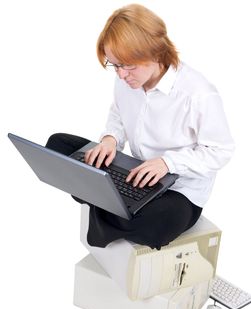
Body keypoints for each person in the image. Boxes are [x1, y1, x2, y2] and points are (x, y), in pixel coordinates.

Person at [46, 4, 234, 250]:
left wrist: (168, 163)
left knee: (159, 222)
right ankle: (114, 201)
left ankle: (101, 200)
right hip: (133, 174)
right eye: (115, 65)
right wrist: (110, 139)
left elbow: (221, 151)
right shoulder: (127, 80)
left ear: (156, 53)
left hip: (179, 189)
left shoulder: (198, 93)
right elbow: (118, 114)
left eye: (128, 65)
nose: (121, 75)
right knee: (57, 144)